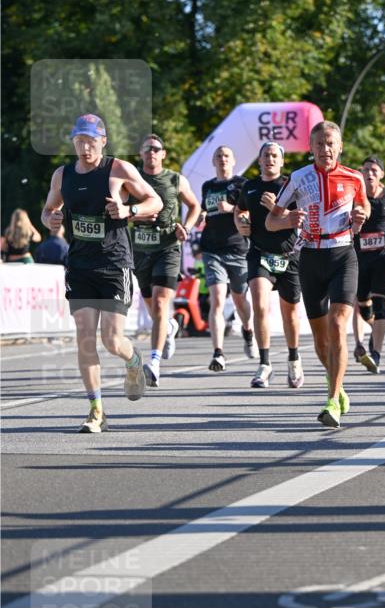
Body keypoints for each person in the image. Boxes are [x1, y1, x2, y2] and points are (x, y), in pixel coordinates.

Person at [40, 114, 163, 432]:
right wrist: (50, 220)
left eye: (91, 142)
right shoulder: (62, 174)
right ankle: (96, 410)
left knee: (111, 339)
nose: (84, 148)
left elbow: (155, 201)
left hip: (114, 263)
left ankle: (133, 360)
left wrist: (129, 210)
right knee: (84, 339)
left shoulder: (118, 169)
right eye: (79, 142)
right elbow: (48, 209)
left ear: (103, 142)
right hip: (79, 265)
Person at [266, 120, 368, 428]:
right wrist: (288, 220)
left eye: (330, 144)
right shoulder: (298, 178)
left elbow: (364, 211)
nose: (325, 149)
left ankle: (332, 400)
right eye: (319, 144)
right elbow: (272, 222)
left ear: (340, 147)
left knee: (339, 324)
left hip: (342, 255)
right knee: (322, 342)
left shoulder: (354, 178)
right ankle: (338, 384)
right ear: (311, 148)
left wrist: (360, 217)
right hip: (310, 257)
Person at [234, 141, 304, 389]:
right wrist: (240, 222)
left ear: (282, 161)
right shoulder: (250, 186)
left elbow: (300, 220)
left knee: (290, 313)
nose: (270, 159)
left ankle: (294, 358)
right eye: (266, 155)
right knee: (260, 305)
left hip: (289, 255)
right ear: (260, 160)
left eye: (275, 155)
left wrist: (275, 209)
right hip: (259, 254)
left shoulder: (291, 186)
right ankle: (264, 364)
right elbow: (239, 210)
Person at [133, 134, 201, 387]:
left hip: (168, 247)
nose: (151, 152)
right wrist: (135, 217)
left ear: (163, 154)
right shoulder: (132, 179)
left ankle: (154, 362)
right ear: (140, 154)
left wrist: (187, 227)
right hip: (141, 250)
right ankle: (170, 327)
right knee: (155, 310)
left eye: (156, 149)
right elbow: (115, 210)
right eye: (146, 149)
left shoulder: (175, 179)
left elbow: (194, 205)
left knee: (161, 303)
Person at [198, 145, 258, 371]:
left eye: (226, 156)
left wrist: (231, 208)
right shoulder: (208, 186)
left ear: (233, 161)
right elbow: (206, 209)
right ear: (213, 162)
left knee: (240, 299)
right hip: (212, 249)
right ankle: (218, 353)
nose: (222, 159)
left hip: (238, 249)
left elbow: (251, 214)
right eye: (218, 156)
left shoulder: (242, 185)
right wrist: (203, 213)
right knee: (217, 299)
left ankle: (248, 330)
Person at [352, 155, 385, 375]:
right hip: (359, 256)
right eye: (366, 170)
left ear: (381, 174)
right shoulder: (354, 195)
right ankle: (370, 333)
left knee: (380, 303)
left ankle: (376, 354)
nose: (370, 173)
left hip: (383, 255)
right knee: (362, 305)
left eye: (374, 170)